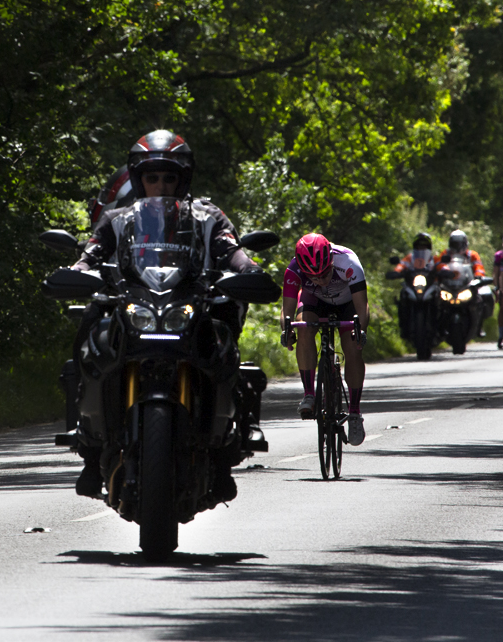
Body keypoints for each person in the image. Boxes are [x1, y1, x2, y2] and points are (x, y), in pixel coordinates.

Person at [69, 130, 264, 499]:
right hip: (135, 303)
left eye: (169, 177)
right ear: (139, 179)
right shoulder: (118, 219)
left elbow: (232, 250)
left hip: (194, 304)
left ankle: (225, 453)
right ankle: (89, 447)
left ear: (183, 179)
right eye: (152, 177)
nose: (161, 184)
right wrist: (78, 271)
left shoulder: (208, 216)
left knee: (223, 344)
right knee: (91, 331)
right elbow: (91, 254)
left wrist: (250, 270)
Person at [280, 233, 369, 445]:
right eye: (314, 277)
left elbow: (362, 306)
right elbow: (287, 310)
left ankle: (354, 412)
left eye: (325, 273)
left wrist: (360, 330)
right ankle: (309, 394)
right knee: (304, 327)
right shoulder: (293, 270)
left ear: (330, 260)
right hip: (315, 302)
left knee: (352, 347)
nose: (320, 280)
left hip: (348, 304)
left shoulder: (348, 262)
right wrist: (287, 330)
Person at [387, 232, 436, 338]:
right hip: (413, 285)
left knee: (441, 297)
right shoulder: (410, 258)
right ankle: (404, 326)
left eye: (424, 246)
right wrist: (396, 272)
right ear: (415, 246)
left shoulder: (433, 259)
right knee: (403, 295)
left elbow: (442, 266)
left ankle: (440, 325)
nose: (422, 248)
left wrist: (445, 271)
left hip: (428, 286)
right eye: (419, 245)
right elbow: (400, 266)